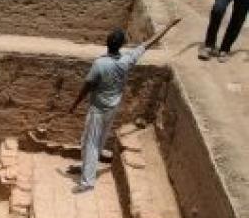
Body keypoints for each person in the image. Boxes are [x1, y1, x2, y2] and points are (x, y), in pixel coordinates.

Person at [68, 19, 180, 194]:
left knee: (90, 142)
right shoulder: (127, 60)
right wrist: (168, 26)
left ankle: (87, 181)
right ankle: (86, 168)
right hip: (112, 107)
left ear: (107, 43)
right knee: (98, 139)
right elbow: (147, 44)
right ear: (122, 45)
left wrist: (74, 105)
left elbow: (88, 86)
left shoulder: (100, 64)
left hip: (98, 109)